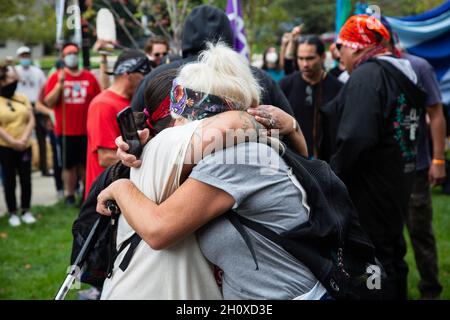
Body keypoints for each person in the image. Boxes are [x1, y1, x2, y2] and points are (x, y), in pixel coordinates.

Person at [97, 43, 325, 300]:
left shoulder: (237, 157)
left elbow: (157, 231)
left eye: (180, 117)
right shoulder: (242, 147)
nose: (175, 124)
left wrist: (120, 188)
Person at [331, 15, 426, 300]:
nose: (339, 54)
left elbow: (356, 138)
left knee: (372, 259)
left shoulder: (368, 75)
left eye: (342, 47)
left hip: (369, 190)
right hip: (397, 181)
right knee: (393, 251)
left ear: (358, 47)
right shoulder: (402, 73)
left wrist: (330, 175)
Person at [131, 5, 296, 120]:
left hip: (172, 168)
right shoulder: (257, 77)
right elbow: (287, 128)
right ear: (228, 35)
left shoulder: (157, 77)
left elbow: (133, 133)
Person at [381, 17, 447, 300]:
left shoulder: (418, 67)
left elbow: (435, 113)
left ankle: (430, 289)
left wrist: (438, 160)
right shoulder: (369, 69)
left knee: (420, 234)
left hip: (415, 168)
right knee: (385, 237)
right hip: (382, 173)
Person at [85, 49, 151, 199]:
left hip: (123, 189)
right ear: (128, 74)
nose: (146, 81)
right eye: (143, 76)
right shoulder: (103, 105)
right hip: (104, 193)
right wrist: (149, 161)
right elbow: (105, 157)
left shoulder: (130, 101)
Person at [44, 43, 101, 206]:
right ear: (63, 57)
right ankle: (69, 195)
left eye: (75, 53)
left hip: (86, 130)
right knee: (68, 165)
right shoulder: (57, 77)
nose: (72, 56)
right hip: (65, 131)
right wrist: (59, 85)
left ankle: (86, 193)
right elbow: (48, 102)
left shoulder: (89, 77)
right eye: (69, 53)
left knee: (85, 164)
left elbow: (99, 98)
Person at [279, 36, 342, 160]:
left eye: (310, 58)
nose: (305, 64)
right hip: (294, 160)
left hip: (328, 163)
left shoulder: (338, 88)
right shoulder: (285, 85)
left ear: (323, 57)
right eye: (300, 59)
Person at [0, 65, 36, 227]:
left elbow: (31, 119)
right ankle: (13, 212)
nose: (12, 81)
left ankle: (26, 210)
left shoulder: (22, 97)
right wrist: (12, 142)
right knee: (9, 180)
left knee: (26, 179)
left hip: (25, 145)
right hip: (6, 147)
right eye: (8, 79)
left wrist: (23, 139)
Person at [15, 46, 49, 176]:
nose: (25, 58)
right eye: (22, 56)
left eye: (27, 55)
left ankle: (44, 167)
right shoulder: (15, 71)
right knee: (22, 137)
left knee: (42, 139)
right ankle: (21, 168)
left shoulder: (37, 71)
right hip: (21, 107)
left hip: (36, 105)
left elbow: (43, 88)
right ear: (19, 57)